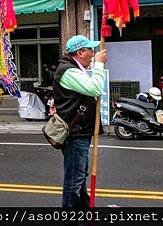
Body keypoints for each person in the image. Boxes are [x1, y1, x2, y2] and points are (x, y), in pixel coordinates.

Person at [53, 35, 106, 210]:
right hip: (75, 133)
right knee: (75, 178)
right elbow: (95, 88)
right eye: (90, 50)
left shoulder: (75, 68)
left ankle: (83, 209)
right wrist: (99, 64)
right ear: (80, 52)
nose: (93, 53)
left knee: (79, 175)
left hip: (80, 130)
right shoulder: (68, 71)